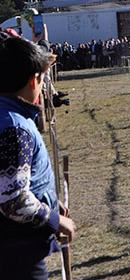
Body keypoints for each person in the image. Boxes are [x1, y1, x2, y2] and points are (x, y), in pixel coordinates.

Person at [0, 36, 76, 279]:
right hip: (18, 251)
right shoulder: (14, 127)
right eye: (43, 80)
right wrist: (54, 219)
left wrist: (50, 200)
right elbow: (13, 199)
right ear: (34, 80)